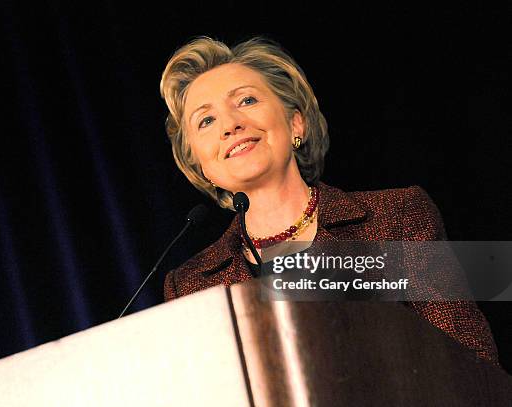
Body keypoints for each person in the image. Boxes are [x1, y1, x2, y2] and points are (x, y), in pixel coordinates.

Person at [158, 35, 499, 365]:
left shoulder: (396, 217)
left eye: (247, 100)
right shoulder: (190, 285)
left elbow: (473, 366)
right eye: (206, 120)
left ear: (296, 123)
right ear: (201, 168)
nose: (230, 125)